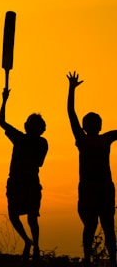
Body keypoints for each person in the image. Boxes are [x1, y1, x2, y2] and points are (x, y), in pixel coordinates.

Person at [67, 71, 117, 267]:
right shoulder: (90, 139)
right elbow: (71, 114)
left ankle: (104, 260)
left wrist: (71, 89)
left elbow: (71, 114)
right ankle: (101, 260)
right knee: (99, 226)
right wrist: (71, 90)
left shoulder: (96, 139)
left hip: (99, 188)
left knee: (100, 226)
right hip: (95, 188)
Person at [0, 88, 48, 262]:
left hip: (26, 181)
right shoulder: (37, 141)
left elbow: (2, 122)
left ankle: (33, 245)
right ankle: (31, 243)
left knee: (26, 216)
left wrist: (4, 100)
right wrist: (4, 100)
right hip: (21, 181)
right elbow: (2, 122)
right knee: (24, 216)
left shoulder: (27, 140)